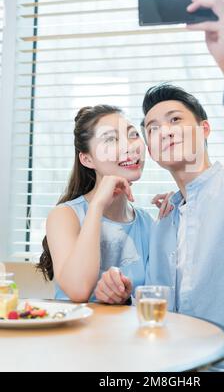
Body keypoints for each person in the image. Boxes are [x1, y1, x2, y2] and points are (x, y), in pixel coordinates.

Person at [98, 0, 224, 371]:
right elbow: (162, 312)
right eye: (152, 128)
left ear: (204, 129)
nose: (164, 131)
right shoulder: (164, 221)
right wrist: (120, 293)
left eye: (176, 119)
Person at [37, 105, 172, 303]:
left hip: (124, 333)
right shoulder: (65, 216)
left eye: (133, 134)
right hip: (74, 333)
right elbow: (78, 290)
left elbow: (160, 296)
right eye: (111, 139)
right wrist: (97, 206)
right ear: (87, 159)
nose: (129, 146)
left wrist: (172, 223)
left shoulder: (147, 223)